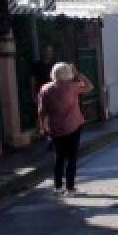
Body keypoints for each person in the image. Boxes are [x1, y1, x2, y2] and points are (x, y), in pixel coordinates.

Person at [37, 62, 93, 197]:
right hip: (73, 126)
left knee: (59, 158)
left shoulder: (45, 89)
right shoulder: (72, 87)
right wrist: (78, 73)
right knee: (72, 158)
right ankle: (70, 188)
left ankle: (57, 187)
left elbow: (41, 111)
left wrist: (42, 126)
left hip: (55, 129)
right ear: (68, 73)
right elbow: (89, 86)